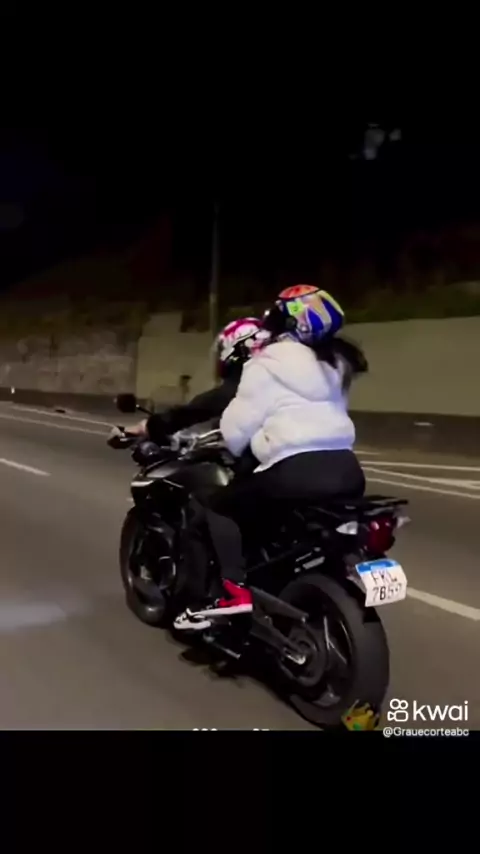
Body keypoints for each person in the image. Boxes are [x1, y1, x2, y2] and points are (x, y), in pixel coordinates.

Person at [173, 284, 368, 632]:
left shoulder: (266, 364)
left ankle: (234, 592)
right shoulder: (336, 365)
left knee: (218, 507)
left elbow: (236, 429)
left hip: (293, 471)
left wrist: (233, 444)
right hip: (348, 471)